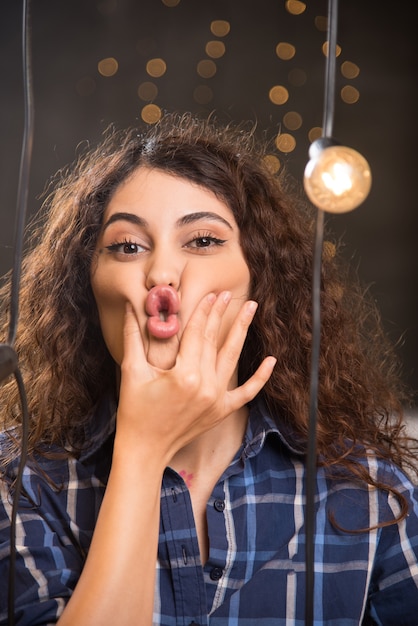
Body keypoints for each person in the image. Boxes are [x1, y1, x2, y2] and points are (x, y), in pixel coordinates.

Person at [0, 111, 417, 626]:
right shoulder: (19, 483)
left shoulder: (368, 490)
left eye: (202, 241)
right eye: (128, 247)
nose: (161, 274)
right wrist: (143, 447)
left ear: (260, 278)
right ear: (87, 287)